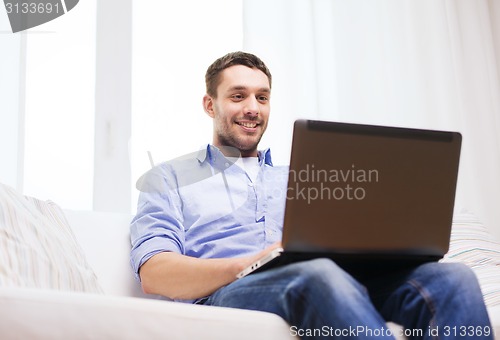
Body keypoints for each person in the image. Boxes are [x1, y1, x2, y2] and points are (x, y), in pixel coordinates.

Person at [130, 51, 492, 339]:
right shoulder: (168, 177)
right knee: (316, 273)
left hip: (333, 283)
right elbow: (155, 273)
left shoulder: (304, 174)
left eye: (262, 97)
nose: (253, 108)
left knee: (452, 278)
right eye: (238, 96)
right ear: (211, 105)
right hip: (231, 293)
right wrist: (252, 262)